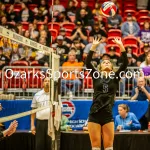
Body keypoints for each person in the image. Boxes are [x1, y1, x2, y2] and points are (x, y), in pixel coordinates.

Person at [85, 37, 128, 150]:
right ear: (100, 67)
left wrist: (121, 46)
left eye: (109, 62)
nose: (107, 63)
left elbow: (125, 64)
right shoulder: (96, 75)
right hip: (94, 114)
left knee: (109, 147)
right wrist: (93, 47)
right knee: (95, 147)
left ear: (112, 67)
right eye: (104, 62)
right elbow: (87, 63)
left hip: (107, 114)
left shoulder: (115, 77)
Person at [31, 77, 51, 150]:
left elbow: (59, 110)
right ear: (43, 83)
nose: (47, 82)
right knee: (39, 145)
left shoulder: (54, 96)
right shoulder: (37, 95)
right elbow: (33, 111)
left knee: (50, 145)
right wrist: (32, 125)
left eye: (49, 81)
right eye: (45, 81)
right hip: (40, 123)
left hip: (51, 123)